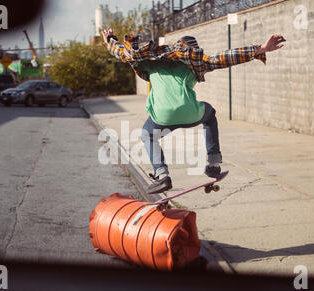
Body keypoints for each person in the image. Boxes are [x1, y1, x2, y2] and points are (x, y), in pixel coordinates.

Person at [102, 29, 285, 194]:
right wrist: (260, 49)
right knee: (210, 113)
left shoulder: (152, 63)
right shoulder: (196, 64)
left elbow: (122, 53)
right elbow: (224, 58)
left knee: (147, 134)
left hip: (162, 117)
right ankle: (213, 162)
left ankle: (162, 174)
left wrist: (110, 39)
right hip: (191, 113)